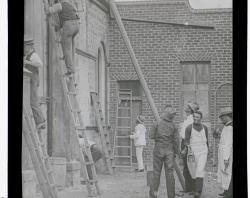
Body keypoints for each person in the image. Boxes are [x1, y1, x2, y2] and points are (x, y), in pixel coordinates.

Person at [149, 105, 180, 198]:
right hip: (169, 150)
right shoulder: (174, 126)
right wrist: (177, 152)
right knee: (170, 174)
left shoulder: (157, 123)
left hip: (158, 149)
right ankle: (171, 196)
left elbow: (151, 135)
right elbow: (176, 141)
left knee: (156, 172)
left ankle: (153, 195)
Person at [45, 0, 80, 76]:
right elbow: (61, 23)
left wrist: (47, 8)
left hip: (69, 26)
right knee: (68, 45)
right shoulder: (70, 5)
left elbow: (49, 11)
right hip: (76, 26)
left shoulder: (59, 5)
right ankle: (66, 57)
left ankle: (70, 70)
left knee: (66, 48)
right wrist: (57, 26)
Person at [184, 111, 210, 198]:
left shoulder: (205, 128)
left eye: (197, 117)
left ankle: (198, 191)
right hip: (192, 151)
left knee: (200, 169)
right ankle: (194, 189)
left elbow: (207, 140)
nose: (195, 118)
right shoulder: (188, 128)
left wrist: (208, 150)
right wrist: (187, 147)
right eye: (194, 117)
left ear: (201, 118)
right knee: (193, 170)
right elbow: (186, 140)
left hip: (203, 151)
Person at [23, 37, 46, 130]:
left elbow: (40, 64)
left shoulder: (34, 55)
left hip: (34, 79)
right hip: (30, 79)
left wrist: (27, 62)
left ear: (30, 46)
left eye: (25, 46)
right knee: (32, 101)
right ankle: (40, 121)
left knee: (33, 101)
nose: (24, 48)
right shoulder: (27, 55)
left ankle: (40, 121)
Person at [180, 102, 199, 194]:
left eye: (187, 107)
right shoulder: (187, 119)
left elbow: (191, 136)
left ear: (191, 110)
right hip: (184, 142)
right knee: (186, 168)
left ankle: (195, 189)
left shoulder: (192, 120)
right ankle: (188, 187)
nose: (185, 108)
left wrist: (186, 148)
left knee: (191, 167)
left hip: (189, 144)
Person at [216, 107, 233, 198]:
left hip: (227, 154)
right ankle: (226, 191)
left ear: (228, 116)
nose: (221, 118)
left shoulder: (230, 127)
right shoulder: (226, 126)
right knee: (223, 171)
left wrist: (226, 158)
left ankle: (229, 193)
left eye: (223, 116)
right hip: (222, 153)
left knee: (228, 172)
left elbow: (228, 144)